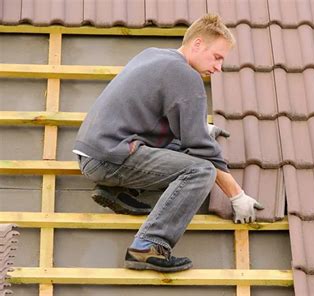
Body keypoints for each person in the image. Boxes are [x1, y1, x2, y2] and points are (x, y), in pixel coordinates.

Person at [72, 14, 264, 273]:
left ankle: (115, 191)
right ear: (197, 44)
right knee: (200, 170)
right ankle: (148, 246)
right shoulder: (185, 75)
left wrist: (196, 125)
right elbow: (200, 148)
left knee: (181, 150)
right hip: (109, 157)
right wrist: (236, 195)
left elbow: (148, 110)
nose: (218, 67)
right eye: (217, 57)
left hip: (95, 151)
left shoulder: (153, 55)